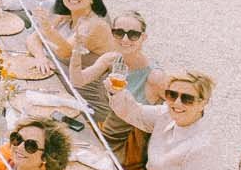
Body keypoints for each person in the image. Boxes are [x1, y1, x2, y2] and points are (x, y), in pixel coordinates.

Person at [71, 10, 173, 140]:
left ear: (143, 38)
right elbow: (78, 80)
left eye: (133, 35)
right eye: (119, 33)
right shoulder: (111, 59)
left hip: (132, 143)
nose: (125, 39)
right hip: (109, 132)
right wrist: (77, 49)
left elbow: (177, 113)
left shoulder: (155, 77)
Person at [31, 0, 115, 84]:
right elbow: (33, 38)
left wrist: (47, 30)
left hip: (83, 88)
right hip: (56, 75)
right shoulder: (65, 16)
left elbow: (66, 52)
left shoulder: (95, 25)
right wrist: (40, 57)